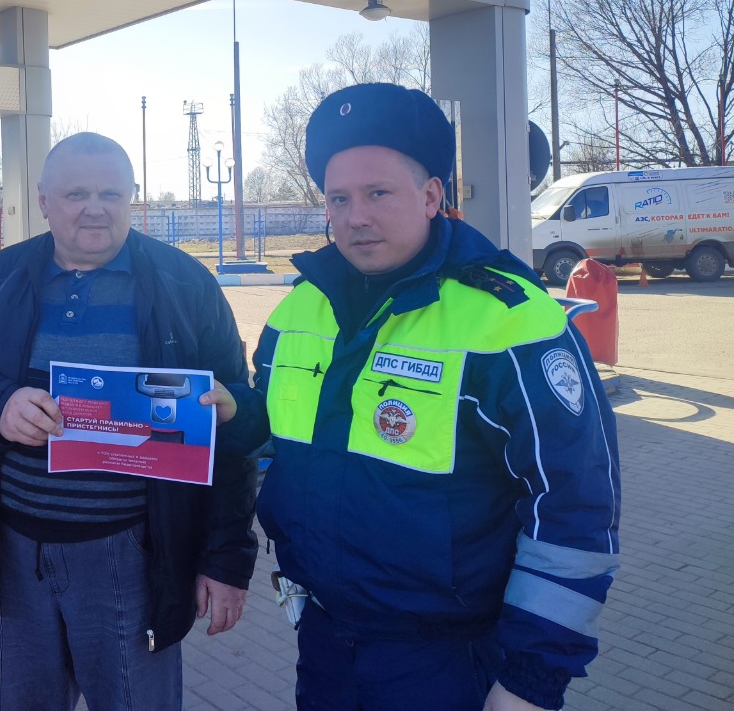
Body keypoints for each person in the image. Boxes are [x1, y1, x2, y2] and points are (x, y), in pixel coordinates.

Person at [251, 83, 621, 711]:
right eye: (339, 198)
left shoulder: (509, 318)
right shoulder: (300, 307)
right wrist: (231, 414)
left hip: (448, 661)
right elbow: (275, 436)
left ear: (430, 197)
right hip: (324, 641)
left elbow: (574, 505)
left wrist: (531, 679)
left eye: (378, 193)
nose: (355, 216)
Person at [0, 132, 262, 711]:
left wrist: (226, 561)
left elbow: (234, 432)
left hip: (136, 556)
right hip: (17, 554)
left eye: (111, 194)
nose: (94, 208)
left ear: (132, 199)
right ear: (44, 201)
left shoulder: (185, 285)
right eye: (76, 194)